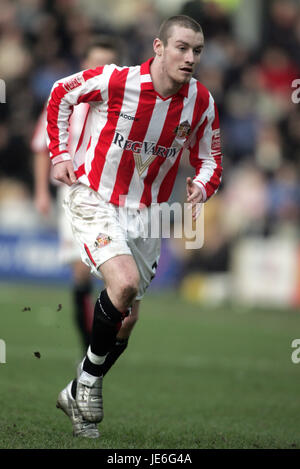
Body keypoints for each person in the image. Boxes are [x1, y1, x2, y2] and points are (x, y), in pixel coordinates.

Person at [46, 15, 223, 438]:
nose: (190, 58)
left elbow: (211, 158)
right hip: (96, 197)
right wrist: (60, 153)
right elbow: (60, 93)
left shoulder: (201, 101)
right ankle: (87, 385)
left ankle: (77, 388)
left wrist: (201, 185)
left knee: (126, 320)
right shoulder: (117, 80)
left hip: (150, 214)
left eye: (197, 50)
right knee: (122, 284)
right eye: (181, 47)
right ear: (158, 48)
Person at [32, 37, 123, 353]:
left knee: (113, 278)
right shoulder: (65, 99)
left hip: (113, 197)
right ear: (83, 63)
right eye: (95, 62)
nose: (100, 69)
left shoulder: (123, 105)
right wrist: (42, 192)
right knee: (80, 271)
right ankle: (89, 348)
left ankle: (100, 343)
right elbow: (42, 147)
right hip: (73, 196)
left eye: (107, 64)